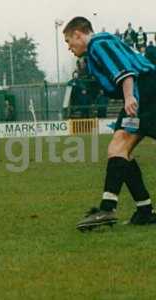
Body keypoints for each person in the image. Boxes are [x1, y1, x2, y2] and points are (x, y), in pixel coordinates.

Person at [63, 17, 156, 230]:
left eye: (69, 41)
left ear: (78, 33)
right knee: (121, 149)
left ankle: (107, 209)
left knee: (118, 147)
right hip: (145, 91)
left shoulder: (98, 44)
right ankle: (144, 211)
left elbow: (125, 71)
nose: (69, 47)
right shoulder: (103, 43)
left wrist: (130, 97)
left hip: (145, 92)